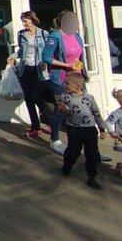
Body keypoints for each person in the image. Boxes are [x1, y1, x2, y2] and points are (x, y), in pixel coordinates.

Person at [40, 10, 87, 154]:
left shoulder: (77, 36)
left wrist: (80, 69)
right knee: (60, 109)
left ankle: (86, 144)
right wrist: (66, 65)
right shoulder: (55, 36)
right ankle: (54, 140)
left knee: (82, 108)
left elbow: (79, 56)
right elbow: (45, 57)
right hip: (59, 81)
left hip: (76, 79)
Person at [58, 72, 106, 190]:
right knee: (73, 150)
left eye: (67, 83)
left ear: (78, 86)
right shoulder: (64, 96)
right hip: (73, 128)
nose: (64, 85)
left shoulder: (88, 98)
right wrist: (63, 110)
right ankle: (67, 166)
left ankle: (92, 176)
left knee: (91, 153)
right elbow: (62, 112)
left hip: (89, 129)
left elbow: (96, 112)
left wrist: (102, 128)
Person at [6, 10, 50, 139]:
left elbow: (49, 51)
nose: (24, 24)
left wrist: (45, 62)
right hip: (25, 69)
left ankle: (50, 120)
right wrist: (13, 56)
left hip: (38, 69)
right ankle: (35, 127)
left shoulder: (43, 33)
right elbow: (21, 50)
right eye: (23, 21)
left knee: (37, 97)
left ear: (32, 20)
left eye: (26, 21)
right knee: (29, 99)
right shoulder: (22, 34)